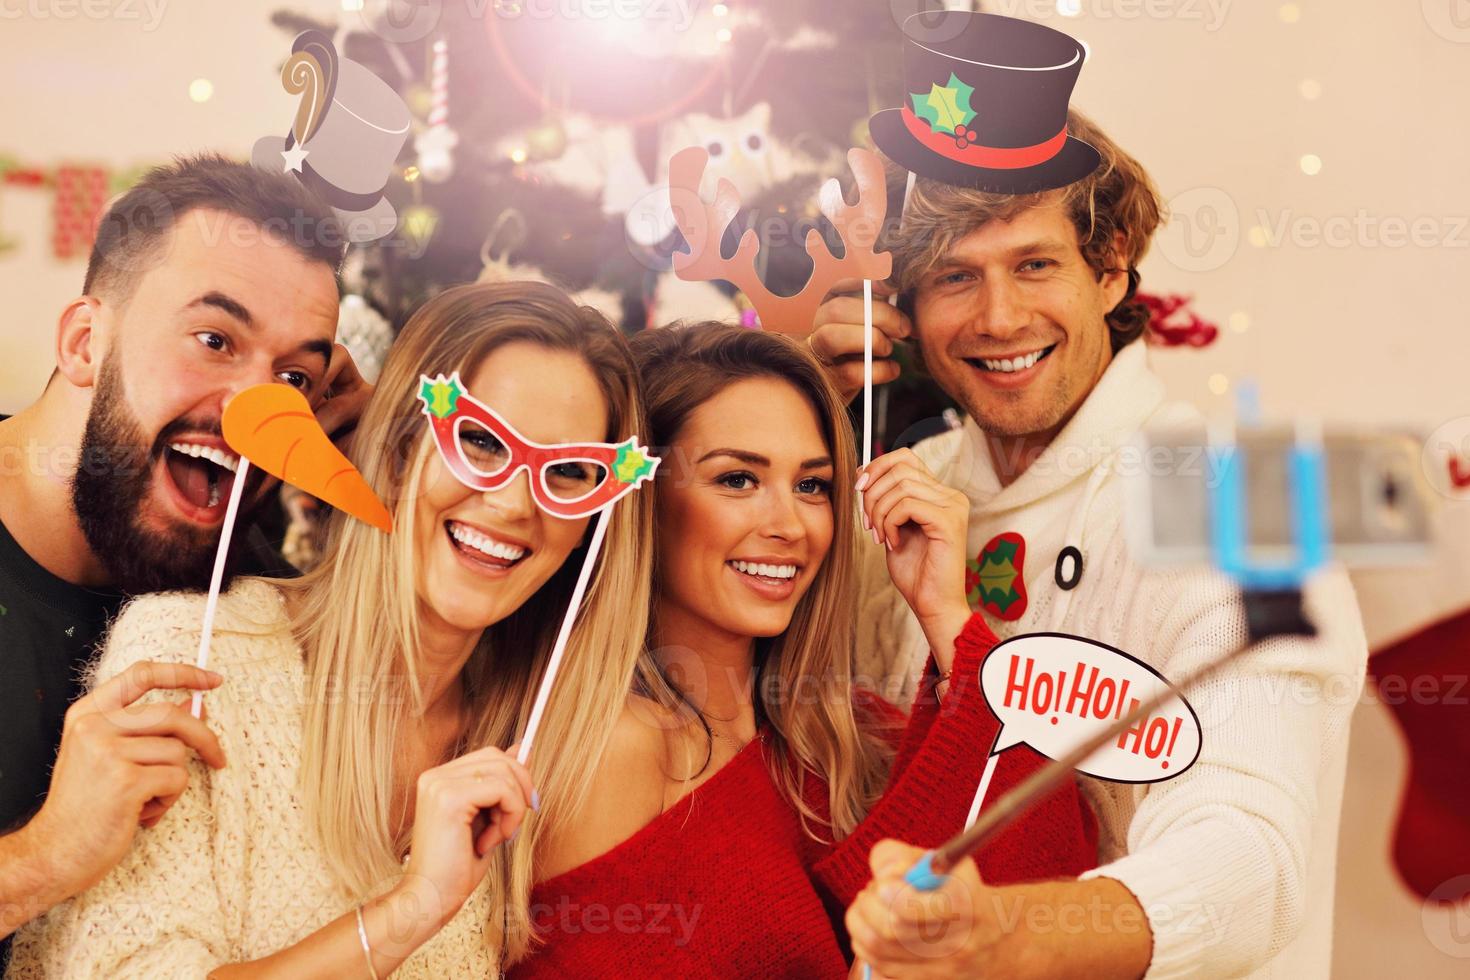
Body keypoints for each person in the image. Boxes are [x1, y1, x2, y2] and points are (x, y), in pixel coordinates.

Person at [814, 107, 1368, 977]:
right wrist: (789, 400)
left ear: (1110, 271)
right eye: (955, 277)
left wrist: (1004, 933)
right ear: (904, 312)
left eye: (1034, 265)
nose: (998, 318)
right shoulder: (886, 493)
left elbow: (1251, 856)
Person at [7, 281, 655, 977]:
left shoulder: (541, 747)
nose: (513, 502)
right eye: (477, 441)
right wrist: (412, 908)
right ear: (402, 452)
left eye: (571, 473)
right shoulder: (198, 660)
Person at [511, 323, 1097, 978]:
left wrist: (945, 614)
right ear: (638, 502)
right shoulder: (612, 753)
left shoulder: (841, 734)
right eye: (736, 480)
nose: (790, 526)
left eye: (812, 486)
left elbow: (1049, 875)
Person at [0, 155, 370, 955]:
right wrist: (41, 860)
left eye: (295, 376)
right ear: (85, 342)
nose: (256, 412)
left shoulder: (255, 595)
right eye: (214, 339)